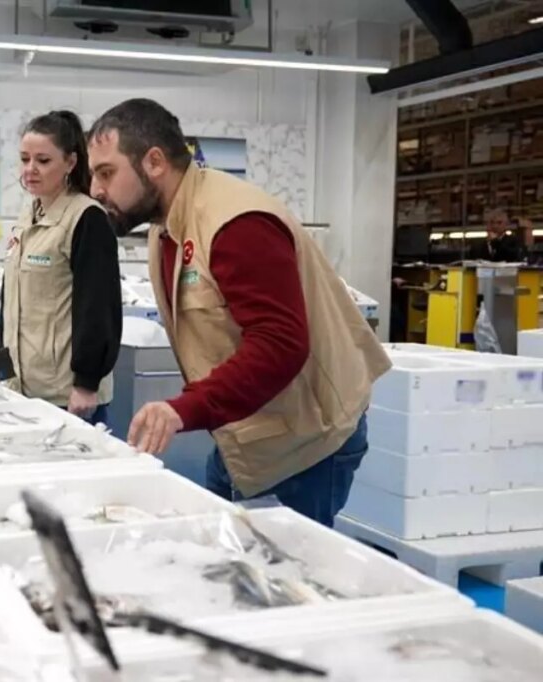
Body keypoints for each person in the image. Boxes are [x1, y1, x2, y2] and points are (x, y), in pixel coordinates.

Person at [85, 98, 391, 527]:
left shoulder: (236, 224)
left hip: (305, 444)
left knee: (283, 581)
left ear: (153, 161)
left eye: (105, 173)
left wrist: (183, 409)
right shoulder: (166, 229)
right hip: (246, 436)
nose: (97, 190)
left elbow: (281, 344)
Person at [0, 111, 122, 425]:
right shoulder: (28, 216)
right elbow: (10, 302)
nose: (30, 170)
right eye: (25, 159)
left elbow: (99, 307)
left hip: (67, 396)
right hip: (22, 389)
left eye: (43, 160)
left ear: (71, 163)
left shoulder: (87, 218)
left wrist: (86, 383)